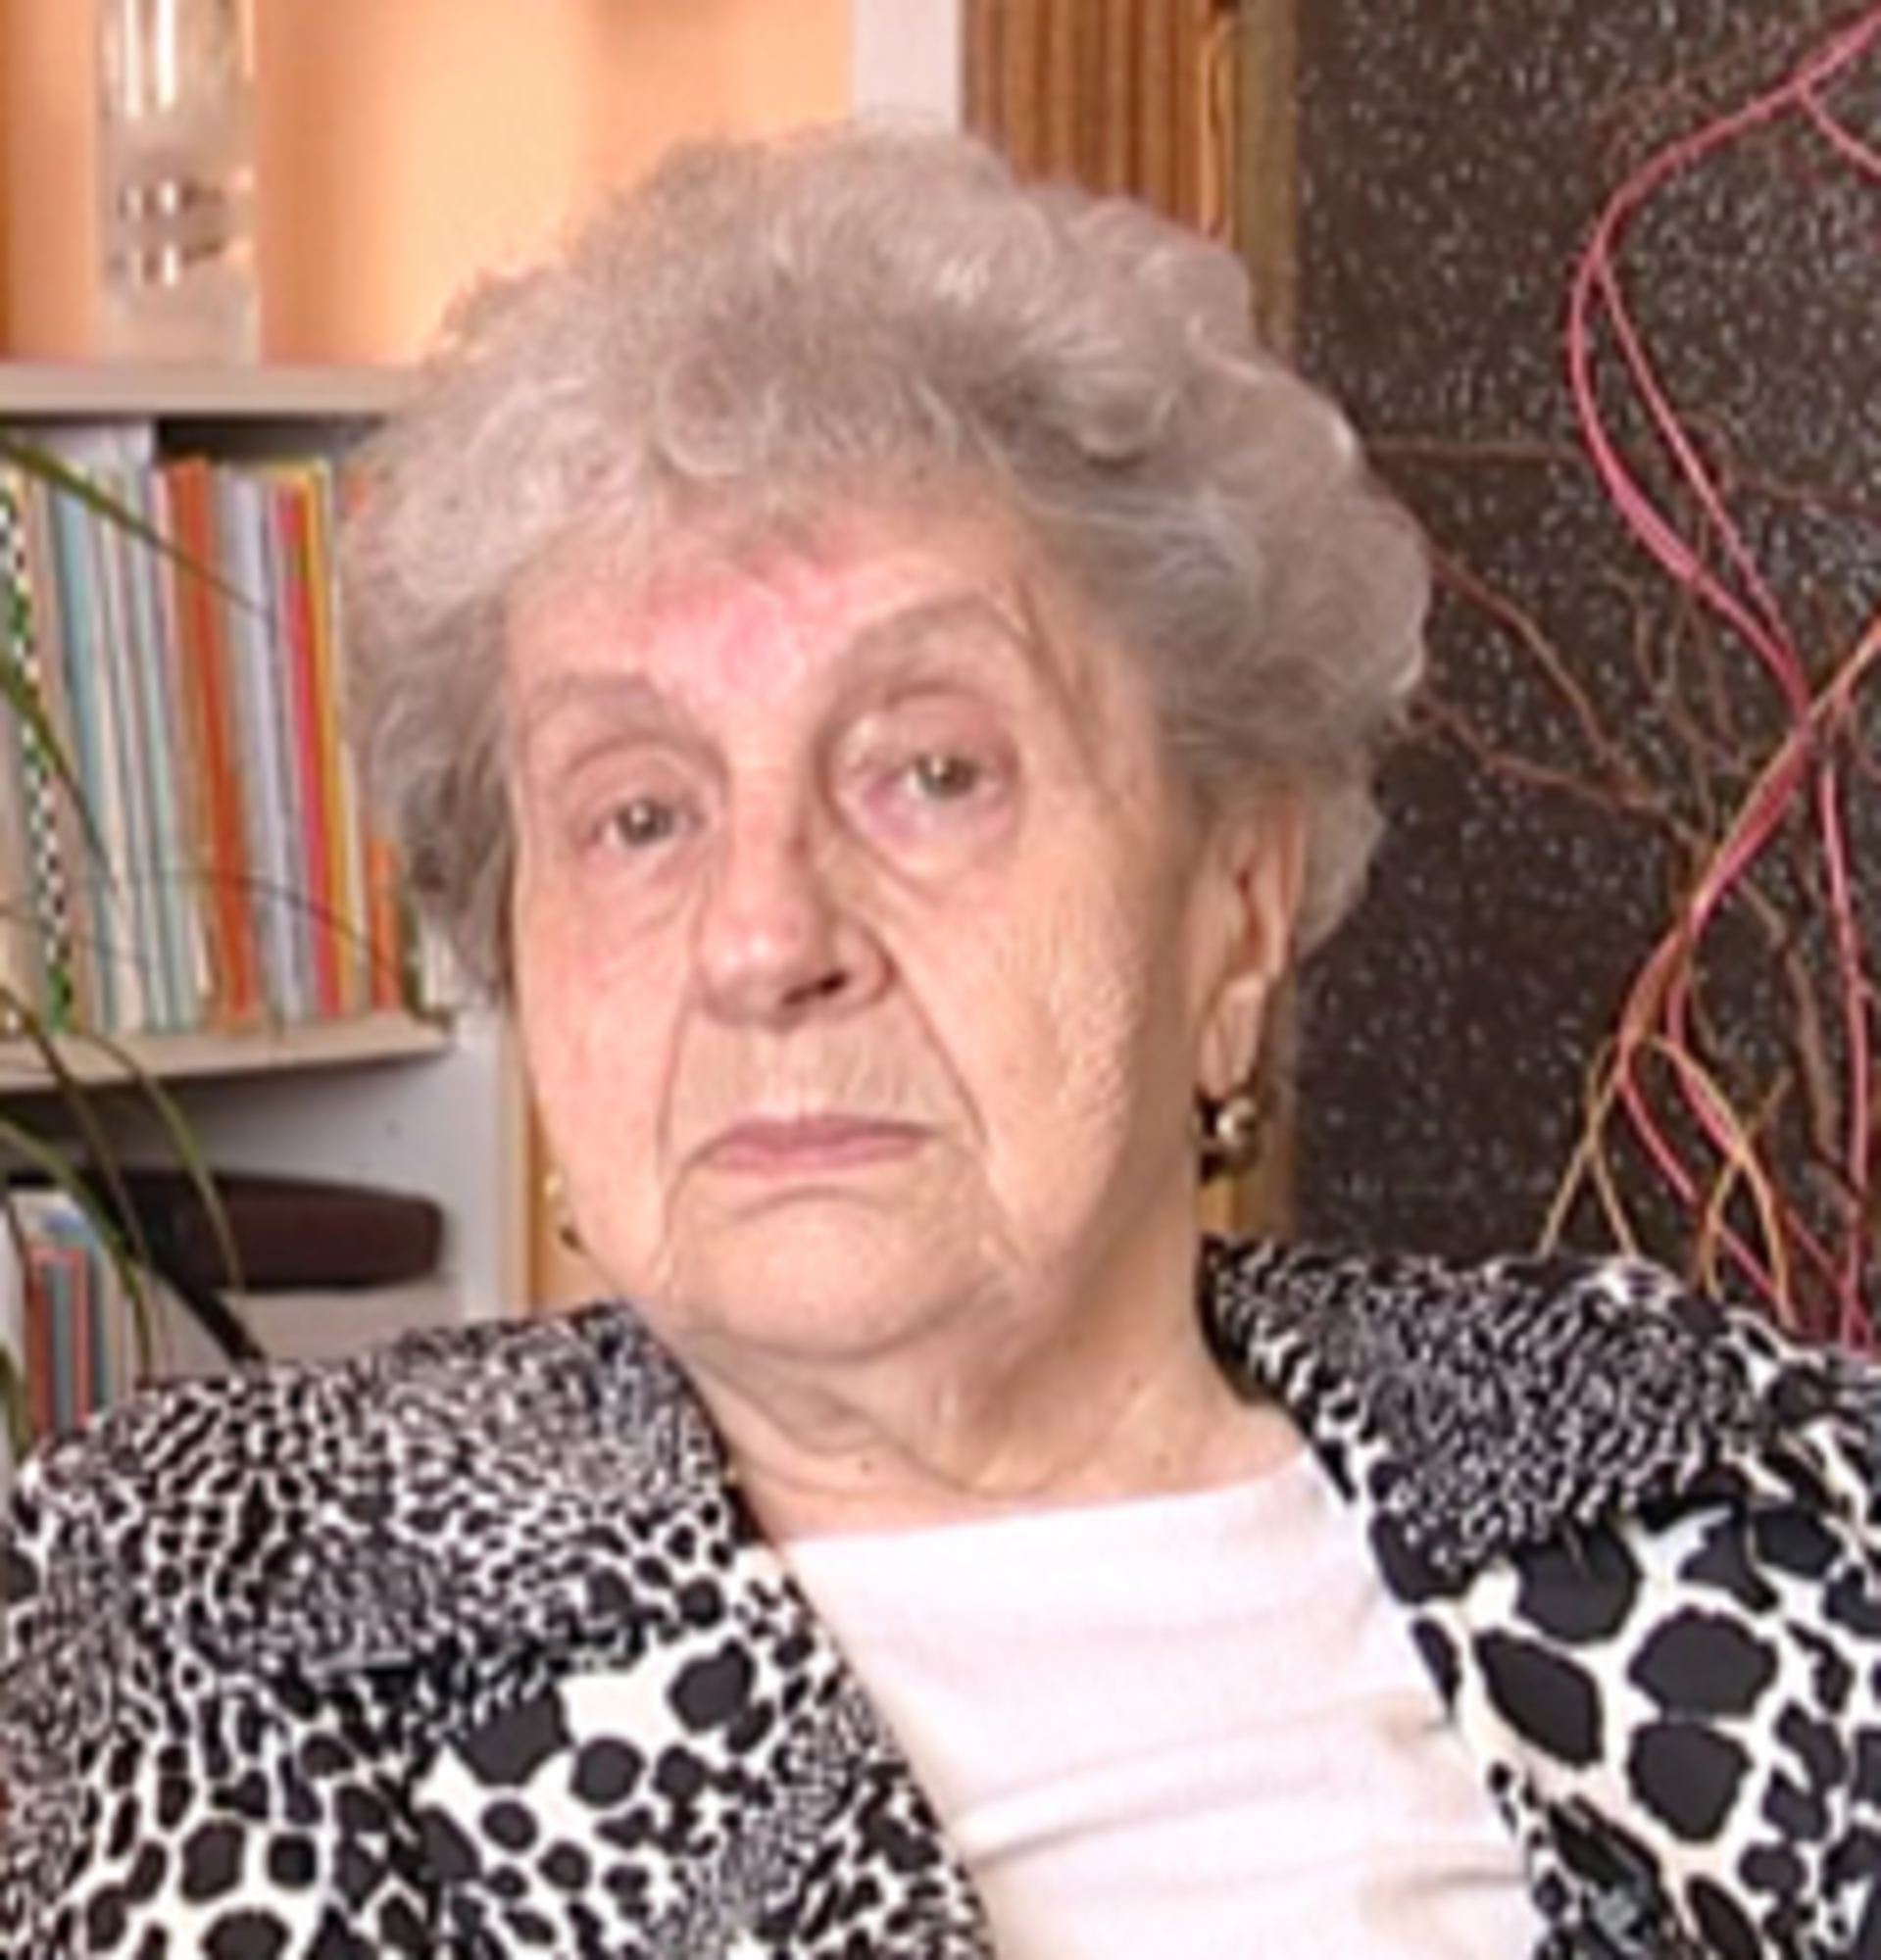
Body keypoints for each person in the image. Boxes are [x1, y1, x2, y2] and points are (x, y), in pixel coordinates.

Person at [2, 122, 1875, 1960]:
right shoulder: (185, 1607)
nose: (763, 939)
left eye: (931, 772)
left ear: (1235, 904)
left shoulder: (1738, 1483)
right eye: (640, 814)